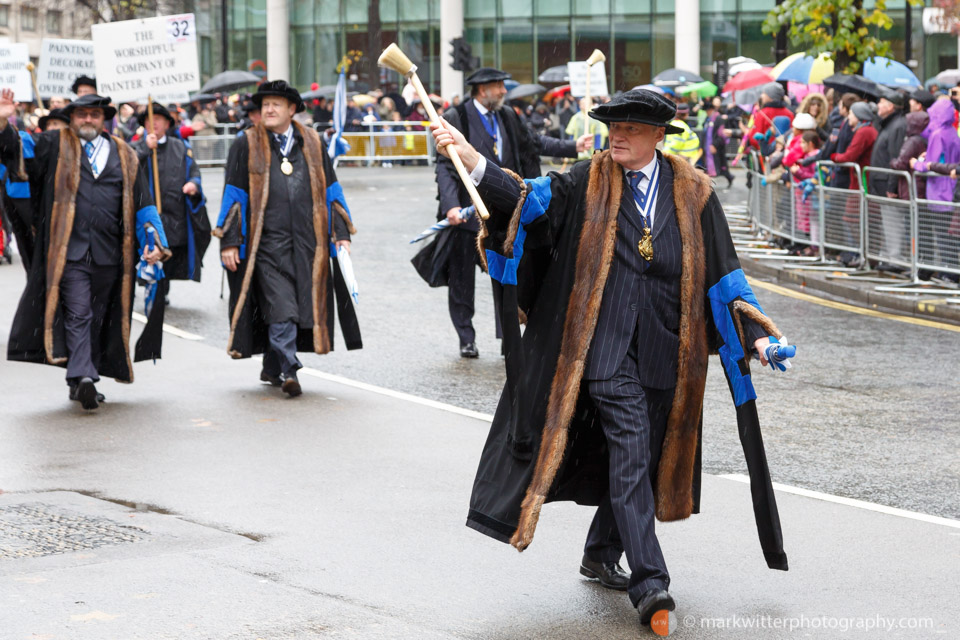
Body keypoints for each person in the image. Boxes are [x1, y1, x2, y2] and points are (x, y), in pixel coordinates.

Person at [431, 88, 792, 629]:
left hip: (666, 351)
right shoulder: (585, 180)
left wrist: (758, 337)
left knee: (643, 462)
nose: (616, 135)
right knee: (629, 446)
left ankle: (600, 552)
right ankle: (651, 584)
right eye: (612, 126)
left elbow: (724, 274)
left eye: (628, 128)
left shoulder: (694, 193)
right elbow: (528, 198)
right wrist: (474, 160)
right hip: (600, 349)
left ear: (657, 136)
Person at [1, 90, 169, 410]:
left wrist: (155, 241)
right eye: (81, 114)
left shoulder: (125, 153)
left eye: (94, 114)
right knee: (79, 311)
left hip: (111, 253)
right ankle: (85, 377)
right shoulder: (54, 144)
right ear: (72, 117)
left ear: (104, 118)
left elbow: (143, 203)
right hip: (70, 251)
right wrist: (3, 121)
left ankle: (79, 378)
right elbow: (14, 150)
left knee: (99, 317)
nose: (88, 119)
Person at [214, 80, 361, 397]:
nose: (268, 109)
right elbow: (234, 195)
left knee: (300, 305)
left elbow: (331, 190)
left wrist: (341, 233)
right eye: (264, 104)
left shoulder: (312, 142)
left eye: (275, 104)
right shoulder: (246, 144)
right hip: (265, 245)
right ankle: (289, 368)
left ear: (292, 109)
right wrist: (228, 241)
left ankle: (272, 365)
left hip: (308, 244)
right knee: (281, 305)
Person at [434, 67, 590, 358]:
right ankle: (466, 337)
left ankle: (509, 338)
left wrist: (573, 146)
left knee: (505, 277)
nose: (505, 92)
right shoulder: (459, 117)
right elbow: (444, 167)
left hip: (505, 210)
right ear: (482, 89)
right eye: (499, 86)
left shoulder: (507, 116)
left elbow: (534, 142)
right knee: (461, 280)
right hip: (467, 216)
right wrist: (450, 206)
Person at [132, 102, 210, 299]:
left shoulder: (179, 147)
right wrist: (144, 149)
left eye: (158, 120)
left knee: (169, 252)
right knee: (150, 249)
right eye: (150, 120)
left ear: (167, 123)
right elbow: (126, 168)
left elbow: (194, 171)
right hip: (147, 213)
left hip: (174, 214)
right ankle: (155, 290)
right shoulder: (135, 147)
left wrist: (193, 184)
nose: (154, 124)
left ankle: (161, 289)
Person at [868, 89, 908, 271]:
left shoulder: (897, 126)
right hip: (881, 181)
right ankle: (891, 257)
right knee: (888, 222)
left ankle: (896, 259)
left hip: (888, 183)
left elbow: (895, 157)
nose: (878, 105)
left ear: (891, 106)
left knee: (893, 222)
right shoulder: (888, 124)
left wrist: (892, 186)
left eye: (881, 102)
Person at [744, 83, 793, 149]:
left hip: (766, 153)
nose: (762, 96)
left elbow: (754, 140)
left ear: (770, 96)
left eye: (764, 93)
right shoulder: (790, 114)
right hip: (785, 151)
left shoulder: (762, 114)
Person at [703, 98, 734, 188]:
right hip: (708, 147)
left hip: (717, 147)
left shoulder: (719, 119)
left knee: (722, 166)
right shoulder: (708, 119)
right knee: (710, 167)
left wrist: (714, 145)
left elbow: (721, 134)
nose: (707, 112)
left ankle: (730, 178)